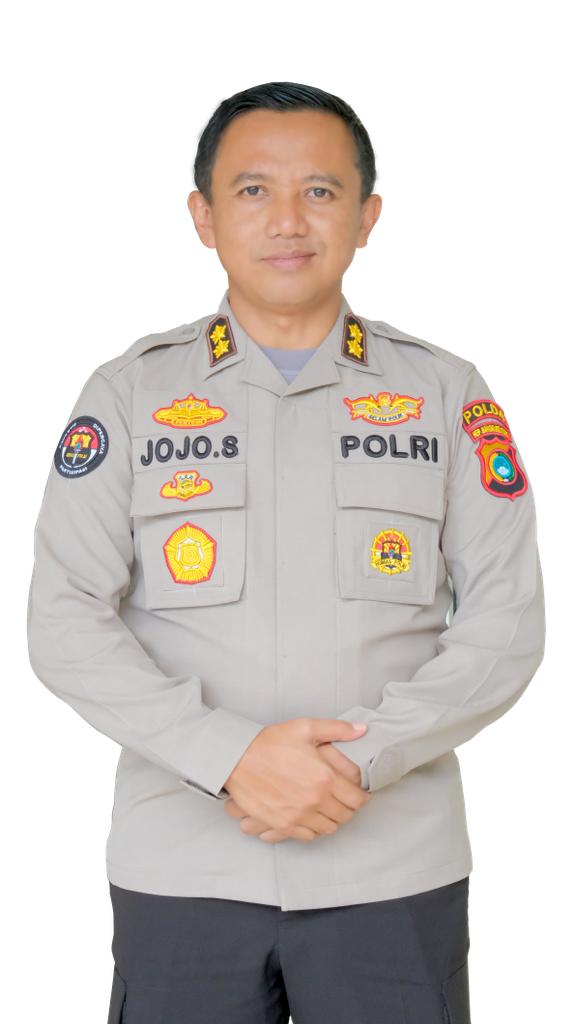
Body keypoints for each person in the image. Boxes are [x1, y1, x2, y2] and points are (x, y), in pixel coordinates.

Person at [27, 80, 546, 1024]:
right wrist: (229, 758)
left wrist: (358, 762)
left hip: (391, 871)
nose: (287, 220)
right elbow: (64, 622)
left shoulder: (447, 393)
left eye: (320, 190)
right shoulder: (129, 395)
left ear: (367, 216)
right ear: (203, 216)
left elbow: (506, 625)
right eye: (253, 190)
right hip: (183, 872)